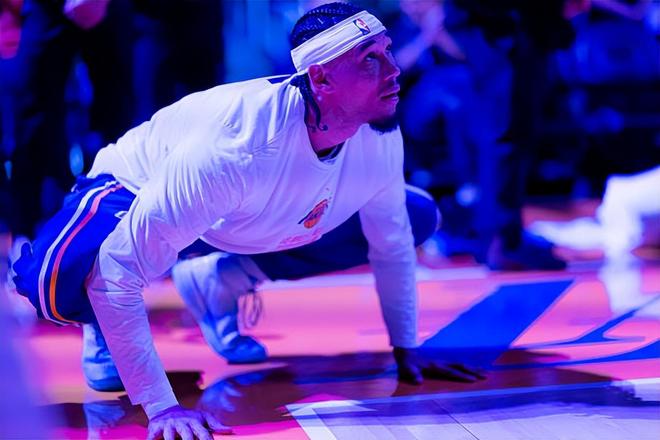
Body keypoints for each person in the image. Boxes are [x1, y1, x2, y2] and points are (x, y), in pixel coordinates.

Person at [12, 3, 483, 439]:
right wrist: (162, 407)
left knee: (414, 215)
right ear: (321, 79)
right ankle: (99, 325)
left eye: (387, 52)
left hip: (235, 216)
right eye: (370, 60)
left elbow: (392, 243)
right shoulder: (235, 148)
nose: (394, 69)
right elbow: (119, 270)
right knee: (51, 280)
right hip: (134, 188)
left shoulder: (377, 134)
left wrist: (406, 349)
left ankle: (223, 280)